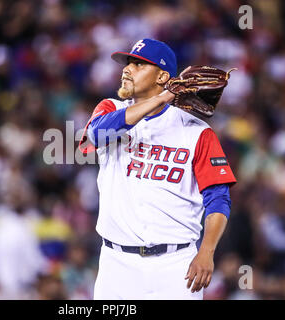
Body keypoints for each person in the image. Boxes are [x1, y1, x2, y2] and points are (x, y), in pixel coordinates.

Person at [79, 38, 237, 300]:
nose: (127, 69)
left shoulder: (198, 132)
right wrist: (164, 97)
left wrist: (207, 251)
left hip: (176, 265)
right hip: (117, 266)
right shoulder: (110, 109)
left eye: (139, 64)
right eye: (127, 64)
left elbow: (218, 199)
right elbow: (96, 135)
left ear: (163, 76)